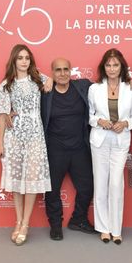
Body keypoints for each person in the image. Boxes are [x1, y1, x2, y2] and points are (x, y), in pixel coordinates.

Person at [0, 44, 52, 246]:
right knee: (16, 181)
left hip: (35, 135)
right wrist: (0, 144)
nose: (24, 61)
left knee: (31, 180)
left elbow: (52, 81)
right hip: (14, 137)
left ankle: (26, 223)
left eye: (27, 58)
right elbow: (3, 116)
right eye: (20, 58)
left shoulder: (38, 79)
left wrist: (51, 80)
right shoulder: (5, 85)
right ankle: (18, 220)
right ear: (14, 60)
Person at [88, 49, 132, 244]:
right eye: (108, 65)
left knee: (116, 184)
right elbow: (90, 116)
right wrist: (99, 121)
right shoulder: (94, 89)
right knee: (100, 183)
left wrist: (126, 123)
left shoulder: (131, 88)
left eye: (115, 65)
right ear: (104, 67)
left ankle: (116, 229)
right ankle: (103, 228)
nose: (112, 68)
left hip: (120, 141)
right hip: (99, 140)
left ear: (121, 67)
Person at [41, 58, 96, 241]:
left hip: (79, 148)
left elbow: (107, 88)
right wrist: (9, 113)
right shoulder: (45, 92)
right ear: (52, 72)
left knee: (88, 187)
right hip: (55, 149)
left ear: (71, 71)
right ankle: (56, 224)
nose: (62, 73)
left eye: (66, 69)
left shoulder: (83, 86)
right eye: (58, 70)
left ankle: (78, 219)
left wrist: (128, 87)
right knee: (52, 190)